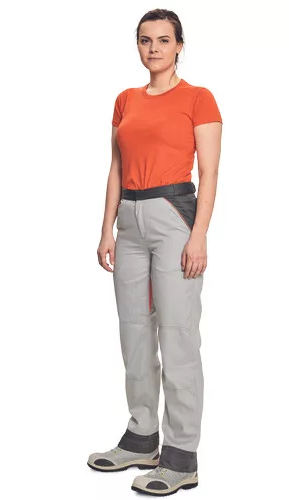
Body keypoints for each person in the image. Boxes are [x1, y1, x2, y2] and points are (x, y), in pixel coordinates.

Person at [88, 8, 223, 497]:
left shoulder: (198, 98)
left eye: (164, 40)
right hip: (129, 219)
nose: (154, 49)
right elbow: (115, 168)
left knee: (178, 335)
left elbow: (209, 171)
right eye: (145, 40)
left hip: (173, 216)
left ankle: (181, 456)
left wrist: (199, 234)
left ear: (179, 46)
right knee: (135, 333)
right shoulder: (125, 100)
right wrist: (107, 229)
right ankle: (142, 438)